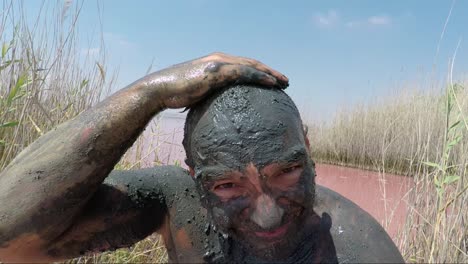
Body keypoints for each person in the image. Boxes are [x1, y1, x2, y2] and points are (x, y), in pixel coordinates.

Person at [0, 53, 404, 263]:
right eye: (228, 186)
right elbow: (7, 240)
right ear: (195, 178)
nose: (267, 216)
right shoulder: (180, 203)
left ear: (309, 153)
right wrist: (147, 95)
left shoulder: (359, 252)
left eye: (286, 172)